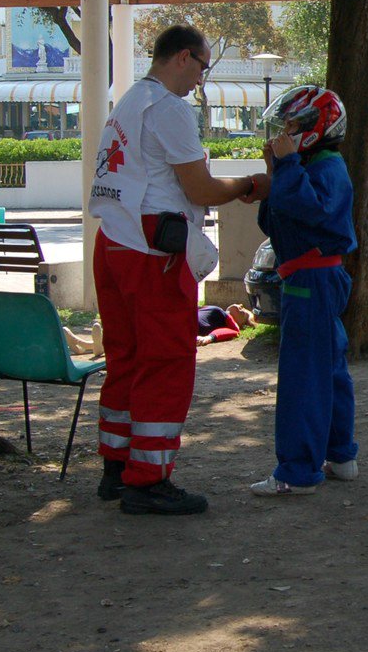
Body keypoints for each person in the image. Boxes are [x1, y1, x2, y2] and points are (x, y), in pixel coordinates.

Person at [89, 25, 268, 515]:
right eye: (203, 67)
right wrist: (251, 183)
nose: (200, 80)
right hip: (155, 248)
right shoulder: (169, 108)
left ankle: (117, 467)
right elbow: (201, 191)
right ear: (184, 57)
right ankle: (147, 481)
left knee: (124, 354)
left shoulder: (130, 100)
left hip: (115, 239)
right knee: (166, 360)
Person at [248, 85, 359, 497]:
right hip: (317, 278)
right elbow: (278, 219)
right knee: (328, 369)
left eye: (293, 125)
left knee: (303, 376)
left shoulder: (325, 167)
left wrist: (286, 166)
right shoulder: (320, 166)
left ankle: (297, 471)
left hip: (310, 281)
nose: (285, 131)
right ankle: (339, 454)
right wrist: (278, 172)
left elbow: (308, 210)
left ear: (316, 128)